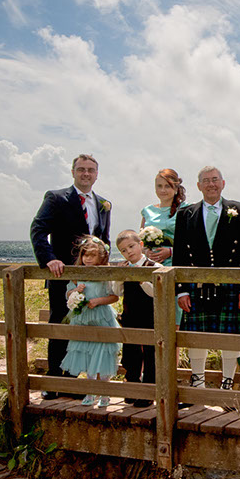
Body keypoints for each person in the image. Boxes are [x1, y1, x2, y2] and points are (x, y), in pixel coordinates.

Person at [30, 154, 112, 400]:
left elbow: (103, 240)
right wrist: (49, 259)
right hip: (63, 276)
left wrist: (107, 265)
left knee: (85, 328)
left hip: (93, 280)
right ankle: (54, 382)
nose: (86, 174)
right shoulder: (56, 198)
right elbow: (38, 229)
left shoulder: (104, 203)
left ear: (97, 174)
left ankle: (75, 383)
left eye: (91, 170)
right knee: (60, 326)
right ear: (73, 172)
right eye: (81, 169)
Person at [174, 166, 240, 391]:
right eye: (206, 180)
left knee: (231, 336)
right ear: (198, 186)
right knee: (197, 337)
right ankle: (197, 383)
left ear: (223, 183)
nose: (211, 184)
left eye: (215, 179)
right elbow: (179, 252)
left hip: (231, 285)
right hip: (197, 285)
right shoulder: (186, 214)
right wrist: (182, 290)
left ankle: (227, 383)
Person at [60, 236, 121, 407]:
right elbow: (67, 294)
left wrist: (98, 301)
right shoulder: (78, 274)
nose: (87, 259)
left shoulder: (105, 274)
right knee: (87, 353)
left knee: (102, 353)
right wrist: (74, 292)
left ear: (101, 257)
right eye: (85, 255)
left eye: (92, 256)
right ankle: (90, 391)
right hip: (83, 318)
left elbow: (114, 296)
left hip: (101, 317)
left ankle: (105, 392)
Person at [111, 229, 161, 408]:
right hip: (130, 315)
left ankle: (148, 392)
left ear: (140, 245)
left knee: (149, 354)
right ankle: (132, 387)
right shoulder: (124, 267)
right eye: (124, 250)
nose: (129, 252)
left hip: (149, 316)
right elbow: (117, 292)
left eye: (131, 246)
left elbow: (157, 293)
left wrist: (141, 279)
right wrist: (119, 278)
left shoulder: (153, 266)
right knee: (131, 353)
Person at [140, 168, 187, 266]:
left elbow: (193, 241)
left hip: (176, 263)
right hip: (151, 264)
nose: (163, 190)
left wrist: (171, 251)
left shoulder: (185, 209)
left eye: (167, 186)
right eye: (159, 186)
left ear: (176, 189)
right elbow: (140, 242)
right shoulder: (147, 211)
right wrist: (147, 252)